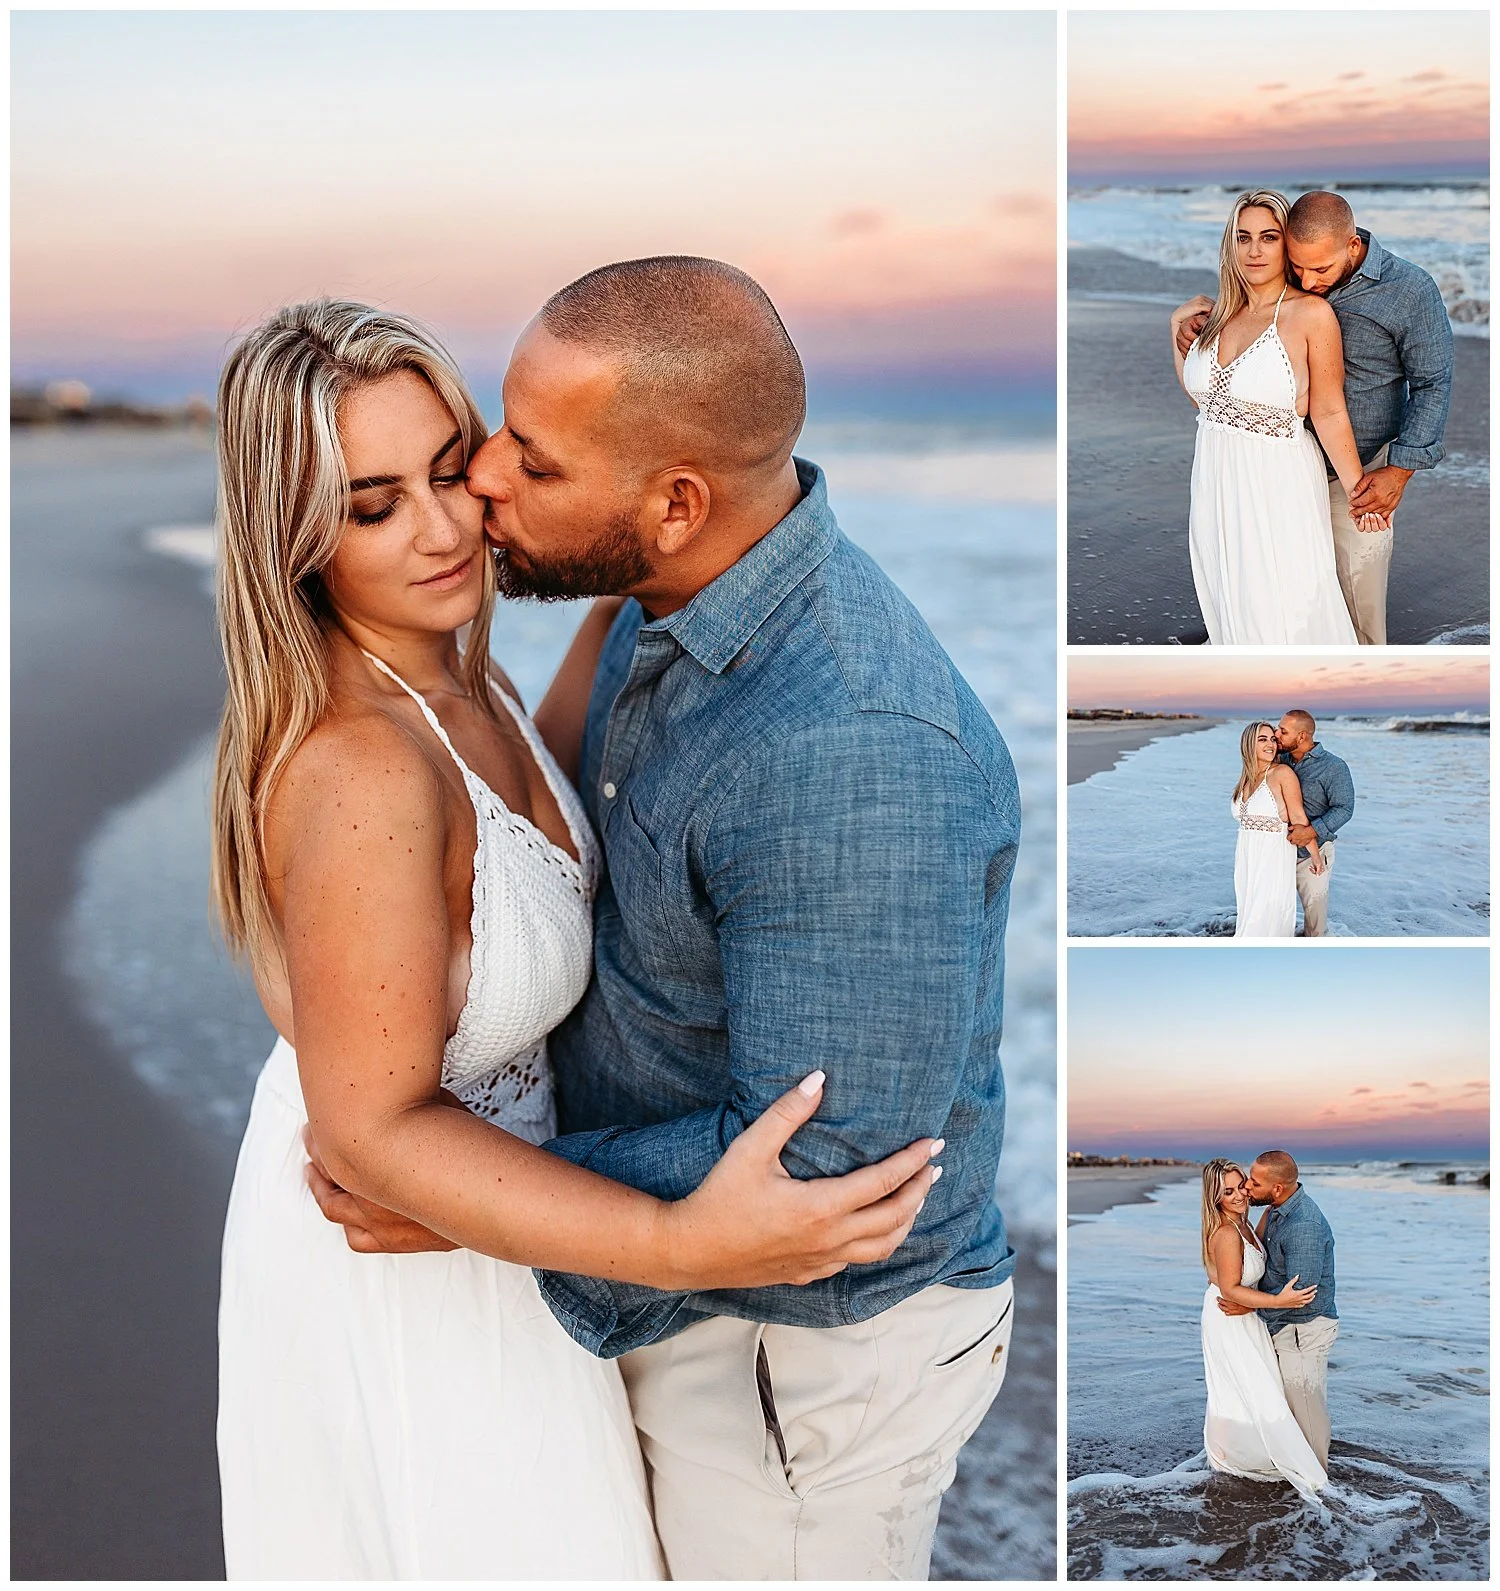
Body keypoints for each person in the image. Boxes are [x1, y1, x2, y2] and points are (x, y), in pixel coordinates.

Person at [309, 257, 1022, 1581]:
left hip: (790, 1362)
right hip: (663, 1294)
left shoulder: (851, 744)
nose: (483, 483)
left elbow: (833, 1159)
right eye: (498, 434)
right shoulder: (666, 598)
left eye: (530, 459)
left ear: (677, 502)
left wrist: (482, 1203)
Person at [1176, 190, 1455, 645]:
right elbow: (1216, 398)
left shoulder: (1408, 290)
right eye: (1297, 265)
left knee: (1355, 616)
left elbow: (1432, 385)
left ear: (1352, 246)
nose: (1307, 278)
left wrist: (1398, 472)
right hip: (1258, 474)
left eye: (1319, 269)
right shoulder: (1262, 297)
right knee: (1262, 600)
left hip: (1359, 465)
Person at [1199, 1159, 1326, 1498]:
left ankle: (1262, 1450)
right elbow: (1230, 1290)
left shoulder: (1251, 1222)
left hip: (1248, 1316)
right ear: (1215, 1199)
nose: (1241, 1194)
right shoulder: (1226, 1232)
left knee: (1259, 1386)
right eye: (1229, 1191)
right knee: (1243, 1388)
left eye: (1242, 1184)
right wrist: (1281, 1301)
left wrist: (1259, 1304)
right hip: (1229, 1318)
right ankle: (1235, 1456)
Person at [1231, 721, 1322, 938]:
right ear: (1248, 745)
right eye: (1262, 739)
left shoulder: (1282, 773)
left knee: (1265, 921)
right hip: (1247, 861)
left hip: (1272, 860)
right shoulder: (1245, 779)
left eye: (1273, 739)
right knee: (1248, 915)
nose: (1271, 744)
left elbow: (1299, 817)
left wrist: (1316, 857)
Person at [1275, 709, 1355, 938]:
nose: (1277, 734)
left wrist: (1310, 832)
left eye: (1283, 731)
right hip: (1277, 852)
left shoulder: (1334, 767)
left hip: (1313, 855)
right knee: (1277, 917)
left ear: (1301, 736)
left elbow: (1344, 809)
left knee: (1315, 927)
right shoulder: (1280, 760)